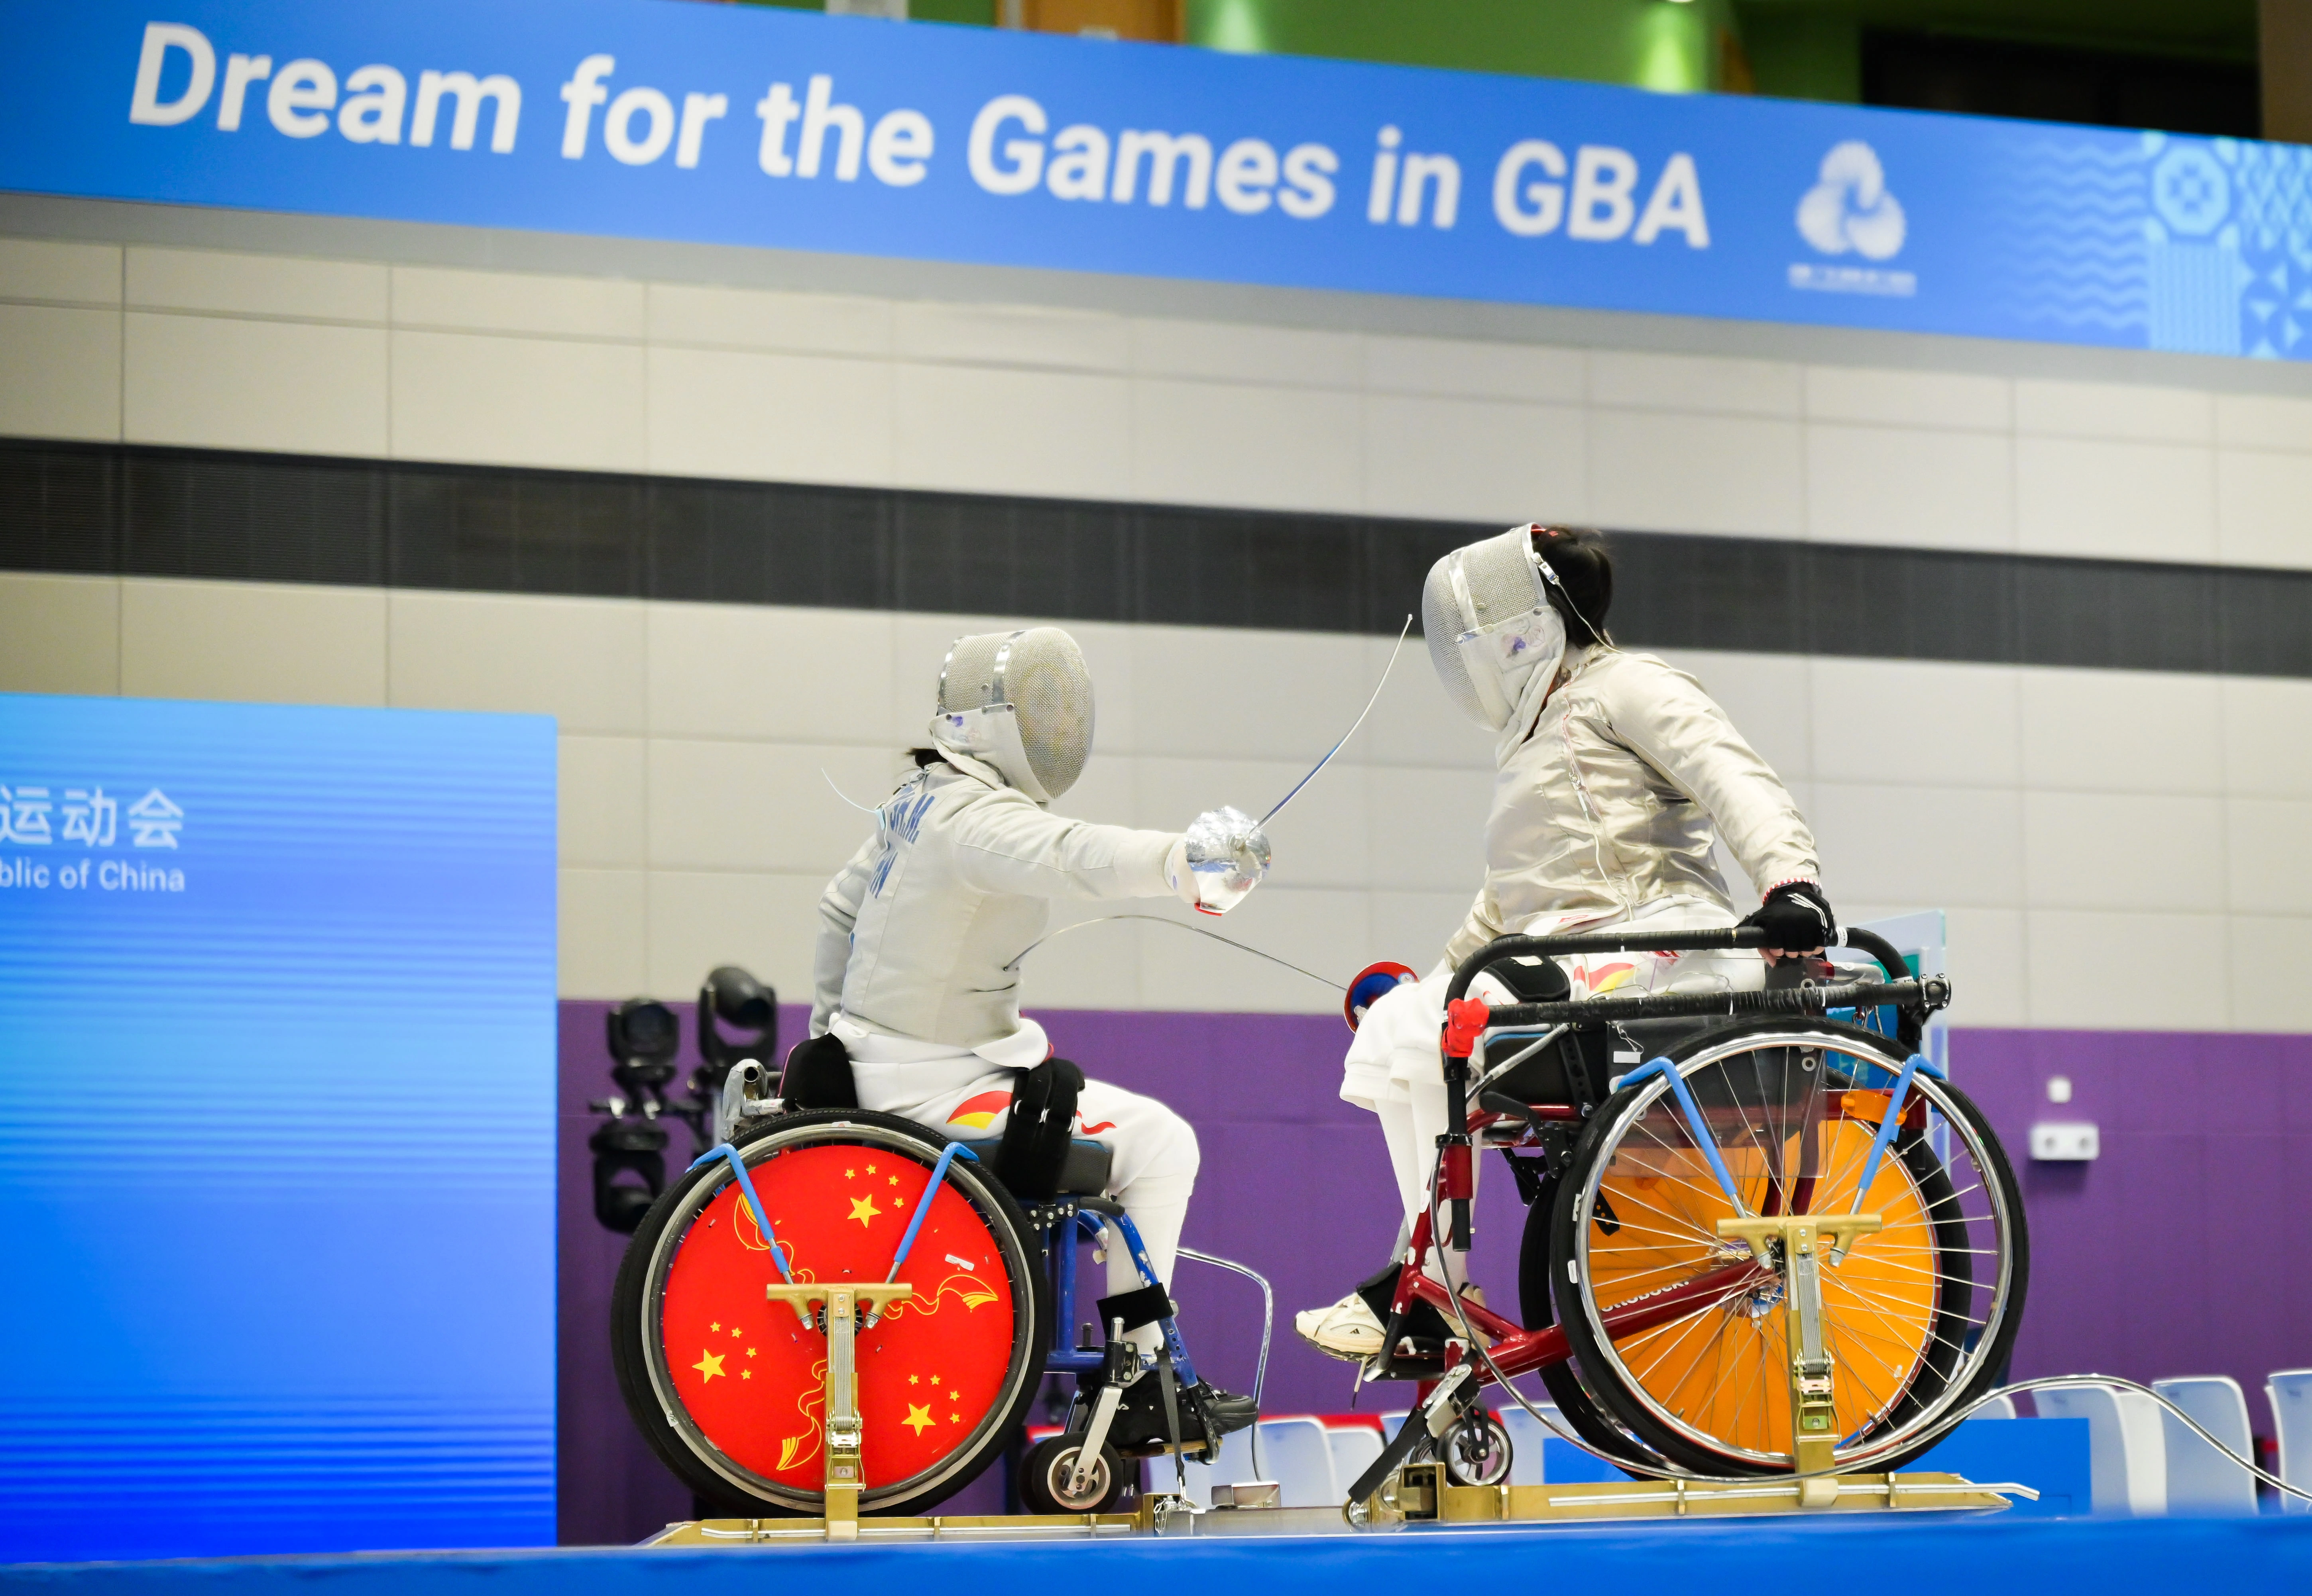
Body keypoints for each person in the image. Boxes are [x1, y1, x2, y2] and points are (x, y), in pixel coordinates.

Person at [1294, 525, 1835, 1362]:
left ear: (1528, 624)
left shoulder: (1626, 685)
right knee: (1399, 1028)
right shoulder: (1528, 734)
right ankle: (1436, 1276)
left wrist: (1790, 882)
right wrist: (1427, 980)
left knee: (1437, 1021)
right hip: (1561, 957)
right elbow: (1508, 899)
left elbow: (1732, 774)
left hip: (1653, 939)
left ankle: (1438, 1276)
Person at [812, 624, 1268, 1435]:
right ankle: (1131, 1381)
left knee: (1113, 1115)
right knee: (1162, 1143)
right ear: (1000, 721)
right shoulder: (970, 819)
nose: (1062, 731)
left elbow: (838, 908)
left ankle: (1131, 1369)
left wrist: (831, 1046)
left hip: (893, 1070)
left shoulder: (917, 801)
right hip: (935, 1093)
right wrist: (1186, 860)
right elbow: (1070, 854)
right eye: (1045, 710)